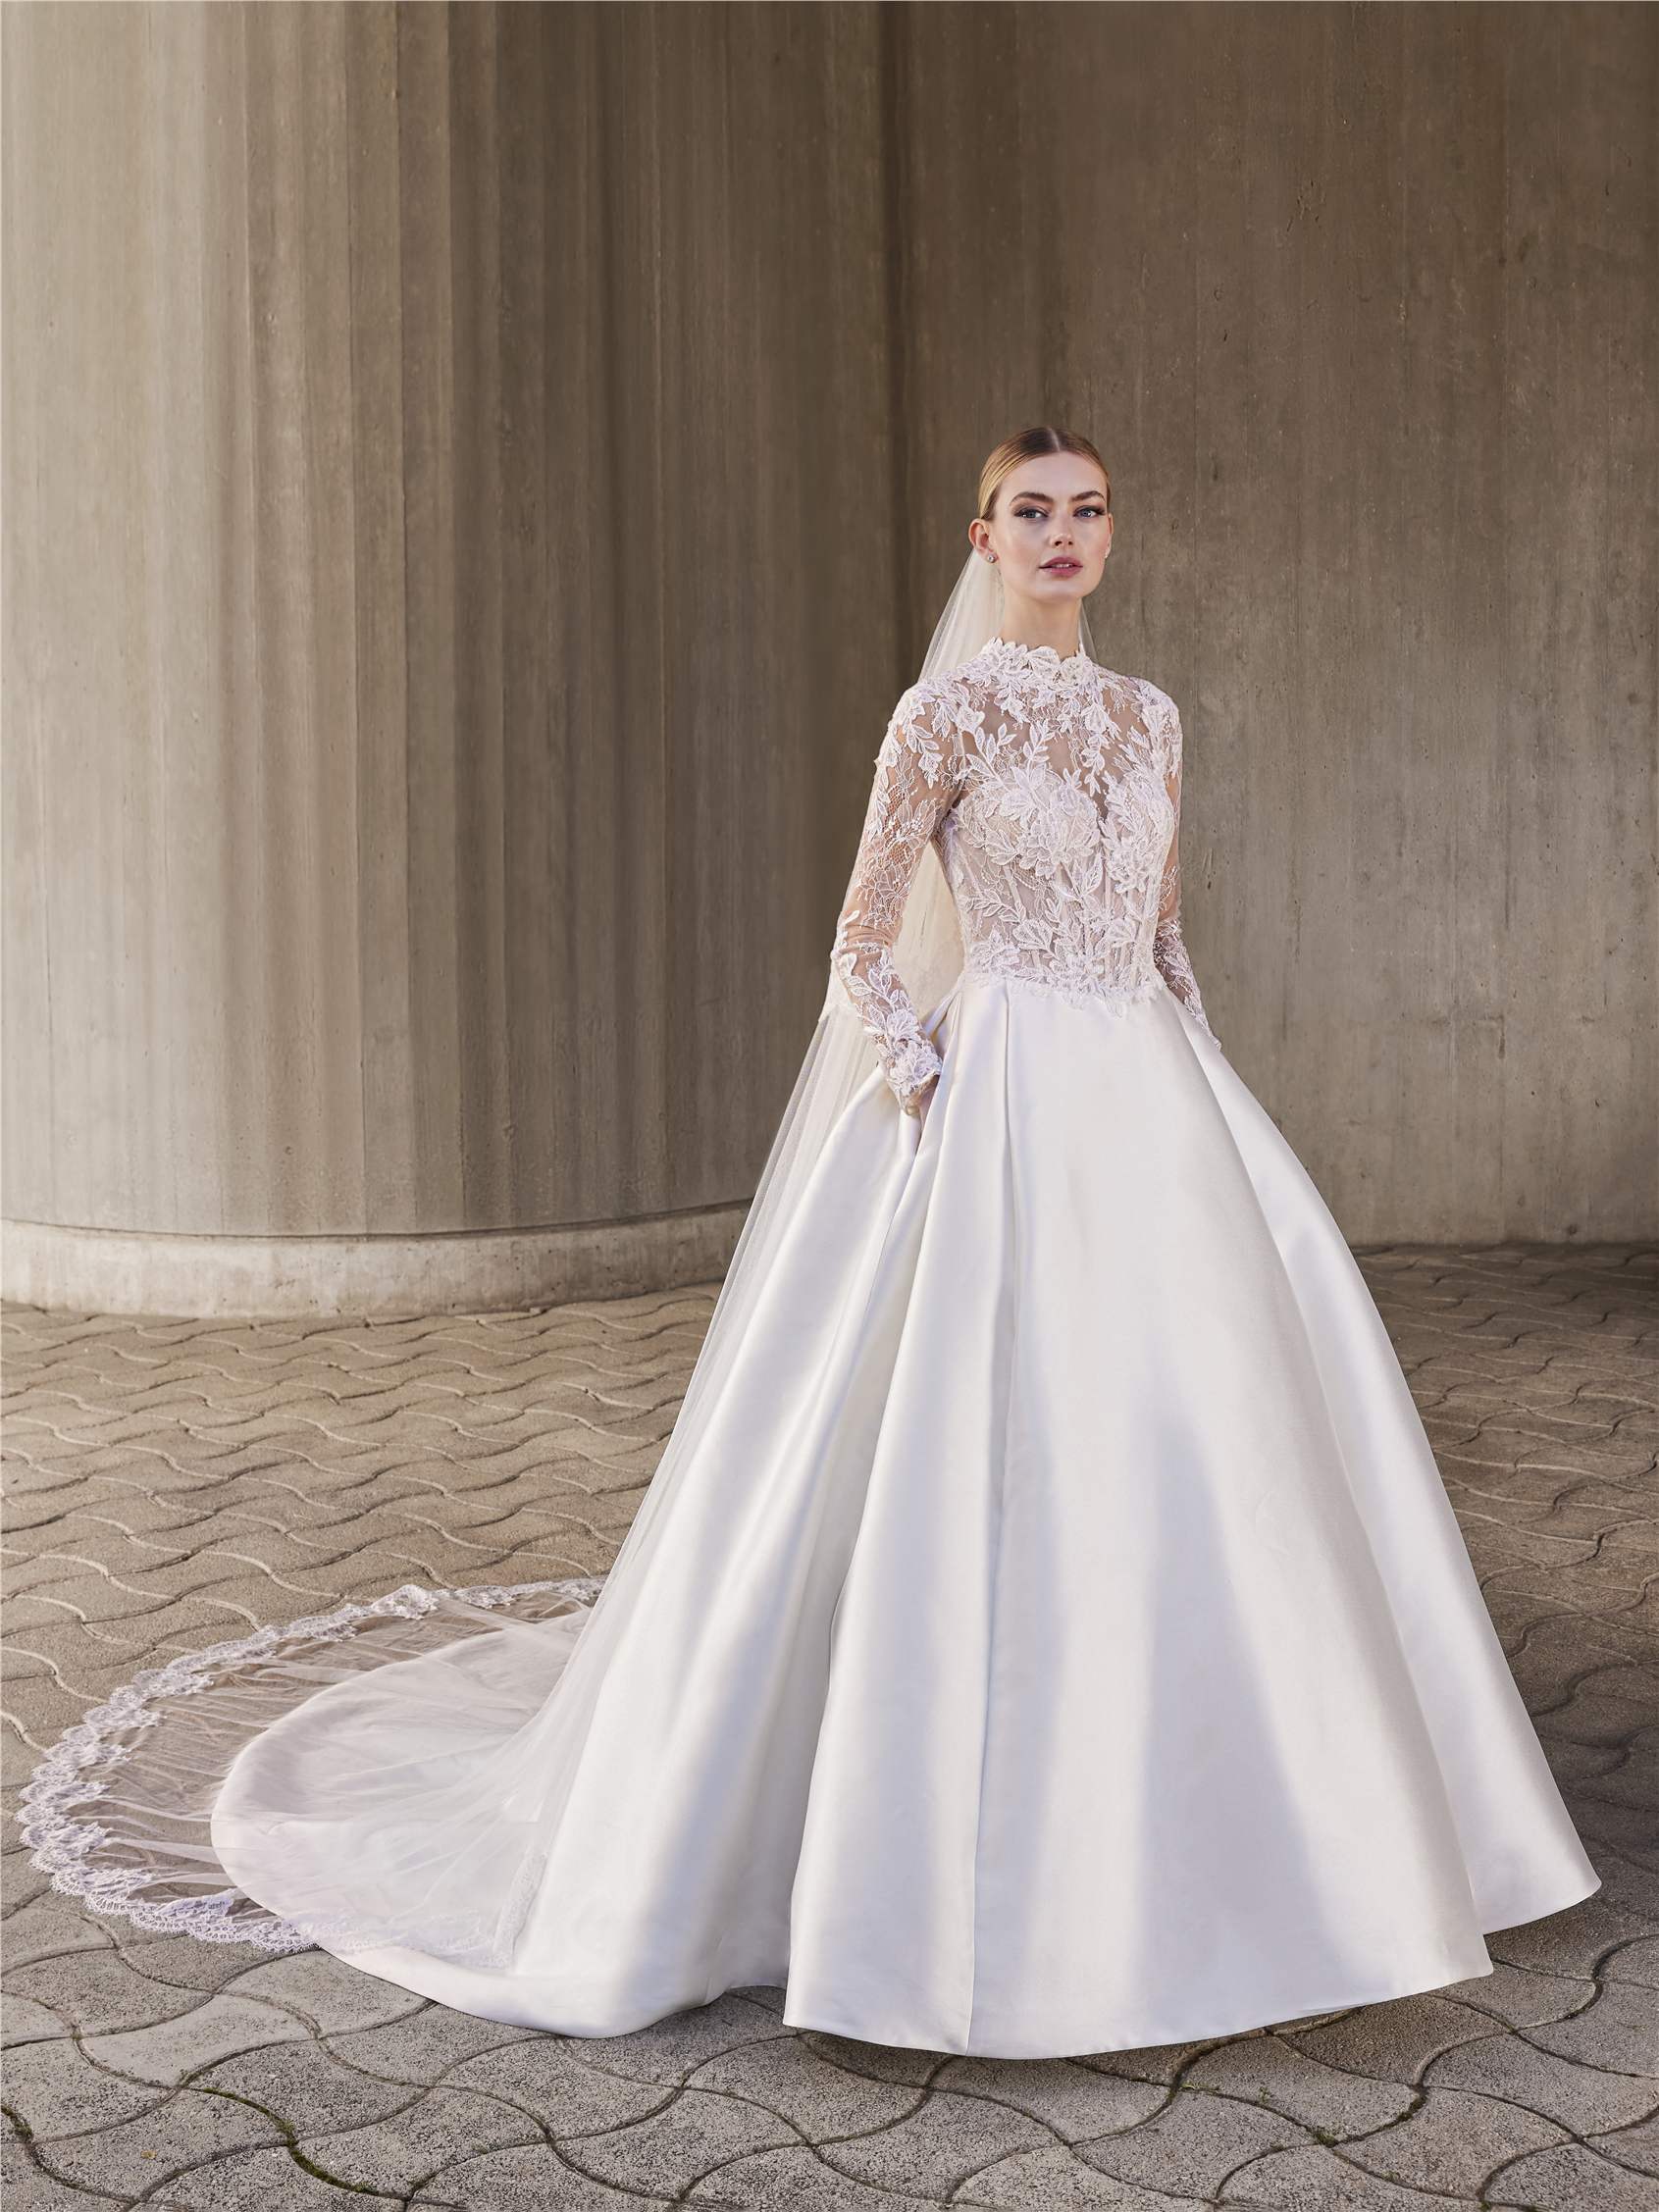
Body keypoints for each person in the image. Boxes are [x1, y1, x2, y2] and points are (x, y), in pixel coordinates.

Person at [19, 426, 1599, 2060]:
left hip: (1152, 1095)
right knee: (971, 1446)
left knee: (1213, 1446)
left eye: (1088, 511)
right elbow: (864, 938)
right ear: (984, 538)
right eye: (1032, 513)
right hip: (993, 1097)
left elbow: (1164, 936)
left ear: (1113, 535)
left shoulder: (1150, 717)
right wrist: (925, 1084)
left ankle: (1254, 1838)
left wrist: (1204, 1088)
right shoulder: (943, 714)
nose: (1063, 536)